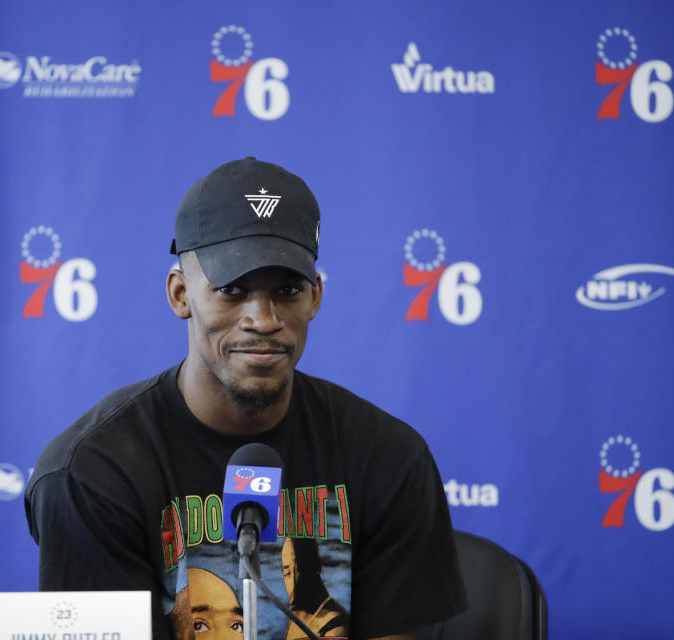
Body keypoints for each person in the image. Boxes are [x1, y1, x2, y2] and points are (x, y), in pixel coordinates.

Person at [25, 157, 466, 640]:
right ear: (180, 295)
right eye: (231, 289)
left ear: (315, 298)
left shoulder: (389, 457)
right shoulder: (92, 473)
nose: (263, 318)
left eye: (288, 289)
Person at [280, 538, 349, 639]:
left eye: (300, 569)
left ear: (316, 566)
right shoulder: (296, 617)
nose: (293, 583)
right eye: (287, 573)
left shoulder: (335, 627)